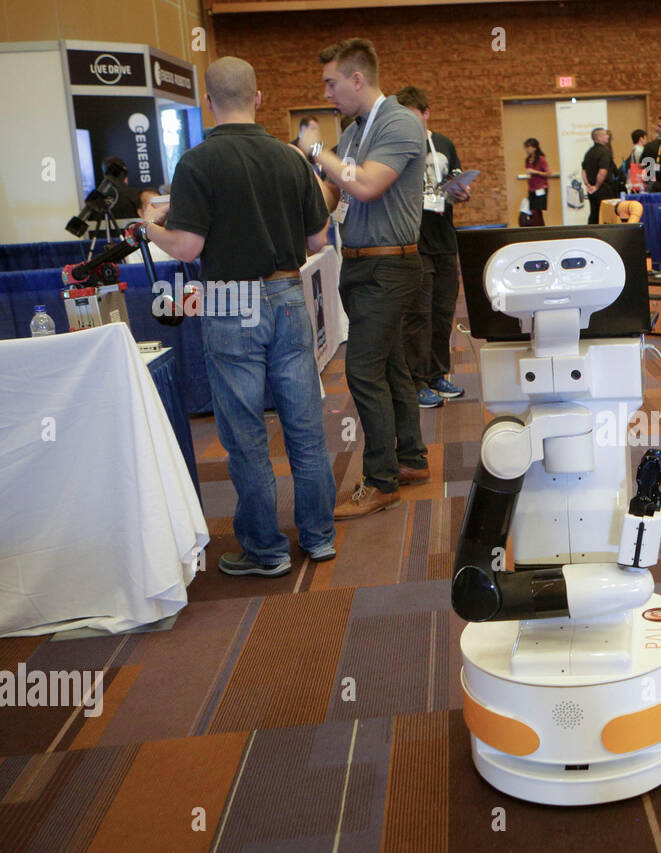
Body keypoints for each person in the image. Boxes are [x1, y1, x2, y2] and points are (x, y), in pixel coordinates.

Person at [143, 56, 336, 577]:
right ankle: (319, 537)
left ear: (207, 102)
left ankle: (266, 550)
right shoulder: (291, 158)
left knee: (245, 432)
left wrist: (150, 229)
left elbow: (185, 247)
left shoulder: (197, 163)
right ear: (258, 98)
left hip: (229, 301)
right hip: (288, 292)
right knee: (304, 424)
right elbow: (318, 239)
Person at [299, 37, 429, 519]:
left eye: (332, 83)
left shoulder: (399, 122)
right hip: (358, 263)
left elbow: (366, 184)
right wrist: (300, 176)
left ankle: (380, 481)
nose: (327, 93)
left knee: (362, 368)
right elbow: (333, 193)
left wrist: (315, 149)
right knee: (389, 363)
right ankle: (411, 458)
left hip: (389, 266)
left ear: (357, 79)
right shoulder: (353, 132)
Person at [394, 85, 469, 411]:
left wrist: (460, 193)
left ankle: (437, 373)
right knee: (418, 315)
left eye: (415, 117)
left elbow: (453, 184)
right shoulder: (397, 147)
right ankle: (416, 381)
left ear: (426, 113)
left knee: (442, 314)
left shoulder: (443, 144)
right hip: (414, 241)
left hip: (444, 238)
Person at [582, 127, 619, 225]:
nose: (607, 136)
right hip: (604, 189)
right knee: (605, 216)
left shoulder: (588, 153)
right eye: (605, 134)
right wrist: (597, 186)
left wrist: (588, 185)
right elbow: (603, 171)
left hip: (592, 191)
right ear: (598, 137)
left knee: (594, 214)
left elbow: (583, 171)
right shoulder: (604, 152)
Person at [522, 138, 550, 226]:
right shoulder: (527, 160)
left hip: (541, 188)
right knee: (533, 211)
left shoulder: (541, 159)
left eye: (528, 147)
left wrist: (535, 172)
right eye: (526, 147)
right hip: (532, 188)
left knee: (537, 210)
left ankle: (540, 229)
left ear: (534, 148)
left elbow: (548, 173)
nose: (527, 149)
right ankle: (541, 228)